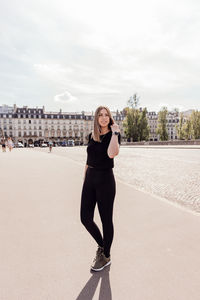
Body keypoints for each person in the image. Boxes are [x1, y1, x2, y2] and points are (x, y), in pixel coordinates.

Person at [80, 106, 121, 272]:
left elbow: (112, 153)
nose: (103, 118)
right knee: (85, 218)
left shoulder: (113, 135)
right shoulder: (92, 136)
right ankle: (102, 245)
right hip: (90, 179)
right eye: (100, 115)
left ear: (109, 118)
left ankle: (106, 256)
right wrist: (85, 179)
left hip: (105, 181)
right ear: (96, 118)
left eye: (106, 115)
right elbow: (88, 160)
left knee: (106, 220)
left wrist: (116, 133)